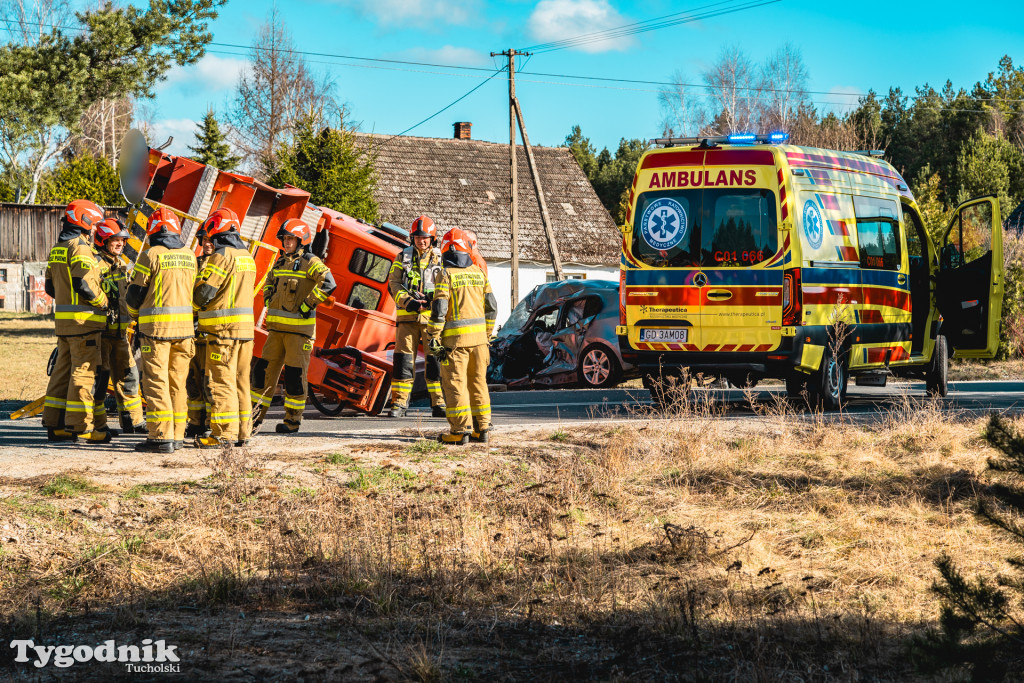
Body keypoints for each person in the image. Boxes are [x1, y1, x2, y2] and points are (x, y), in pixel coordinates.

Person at [250, 218, 336, 434]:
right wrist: (269, 297)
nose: (286, 243)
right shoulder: (280, 262)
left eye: (291, 239)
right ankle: (252, 418)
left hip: (299, 334)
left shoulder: (311, 261)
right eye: (285, 239)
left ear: (302, 240)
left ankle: (292, 422)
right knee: (262, 373)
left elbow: (328, 283)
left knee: (294, 377)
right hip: (276, 332)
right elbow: (269, 281)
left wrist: (308, 304)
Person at [126, 208, 197, 453]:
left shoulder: (150, 255)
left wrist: (134, 316)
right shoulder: (190, 255)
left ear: (153, 231)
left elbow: (135, 295)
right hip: (185, 332)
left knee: (156, 382)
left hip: (155, 331)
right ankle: (177, 436)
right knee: (178, 383)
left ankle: (160, 437)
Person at [42, 200, 112, 444]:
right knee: (83, 374)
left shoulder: (58, 248)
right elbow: (84, 284)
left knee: (61, 373)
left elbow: (50, 286)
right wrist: (103, 302)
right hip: (84, 323)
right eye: (94, 224)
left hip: (64, 325)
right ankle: (81, 426)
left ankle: (55, 425)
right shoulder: (80, 248)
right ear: (86, 221)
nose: (94, 229)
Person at [192, 208, 257, 448]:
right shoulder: (246, 256)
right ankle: (243, 432)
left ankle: (222, 435)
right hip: (244, 333)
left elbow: (204, 292)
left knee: (221, 382)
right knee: (241, 382)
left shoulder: (222, 255)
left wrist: (190, 306)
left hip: (222, 332)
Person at [427, 228, 497, 445]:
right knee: (478, 383)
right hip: (480, 343)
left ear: (447, 251)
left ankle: (460, 431)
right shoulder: (478, 272)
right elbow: (492, 307)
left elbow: (439, 309)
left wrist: (433, 336)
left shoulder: (445, 275)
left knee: (455, 384)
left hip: (454, 344)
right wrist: (486, 334)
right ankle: (481, 429)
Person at [385, 215, 445, 418]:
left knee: (435, 360)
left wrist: (431, 299)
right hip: (407, 318)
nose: (422, 240)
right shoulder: (402, 257)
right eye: (418, 236)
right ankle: (399, 404)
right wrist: (407, 301)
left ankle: (439, 404)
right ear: (412, 238)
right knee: (403, 361)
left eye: (426, 237)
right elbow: (393, 283)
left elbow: (447, 286)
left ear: (433, 238)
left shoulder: (442, 259)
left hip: (432, 320)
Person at [94, 217, 145, 434]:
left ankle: (133, 422)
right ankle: (99, 425)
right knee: (101, 378)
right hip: (102, 334)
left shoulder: (122, 265)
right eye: (116, 240)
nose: (121, 244)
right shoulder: (95, 264)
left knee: (129, 376)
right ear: (103, 240)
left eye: (123, 241)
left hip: (120, 334)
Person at [185, 234, 215, 439]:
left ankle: (209, 423)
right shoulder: (193, 264)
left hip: (211, 334)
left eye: (211, 239)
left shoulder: (220, 265)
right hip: (192, 332)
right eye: (204, 239)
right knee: (192, 380)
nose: (207, 243)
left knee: (209, 382)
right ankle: (195, 422)